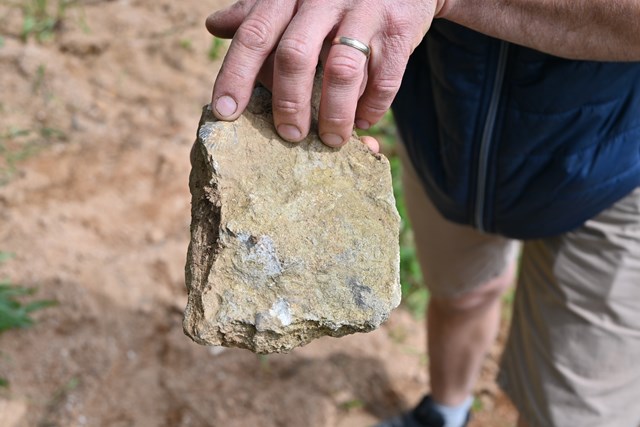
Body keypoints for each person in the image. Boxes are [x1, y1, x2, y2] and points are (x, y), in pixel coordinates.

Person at [204, 1, 640, 426]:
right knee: (460, 294)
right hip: (443, 129)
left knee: (573, 411)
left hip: (617, 163)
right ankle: (445, 412)